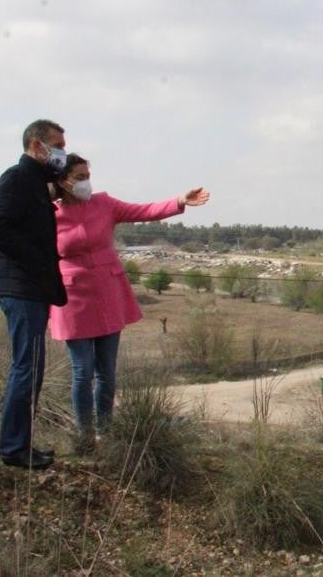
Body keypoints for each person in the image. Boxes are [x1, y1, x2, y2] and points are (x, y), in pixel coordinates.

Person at [49, 153, 210, 451]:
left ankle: (105, 431)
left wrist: (178, 201)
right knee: (82, 370)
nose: (86, 183)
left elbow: (144, 210)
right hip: (71, 298)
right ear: (62, 181)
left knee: (106, 371)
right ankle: (84, 436)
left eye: (88, 176)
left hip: (108, 294)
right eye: (79, 177)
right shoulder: (48, 214)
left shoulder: (104, 203)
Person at [0, 119, 69, 470]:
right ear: (36, 146)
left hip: (31, 288)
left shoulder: (35, 182)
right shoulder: (16, 179)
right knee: (26, 368)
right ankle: (14, 450)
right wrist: (35, 259)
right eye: (57, 145)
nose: (60, 152)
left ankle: (20, 445)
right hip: (21, 288)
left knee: (31, 368)